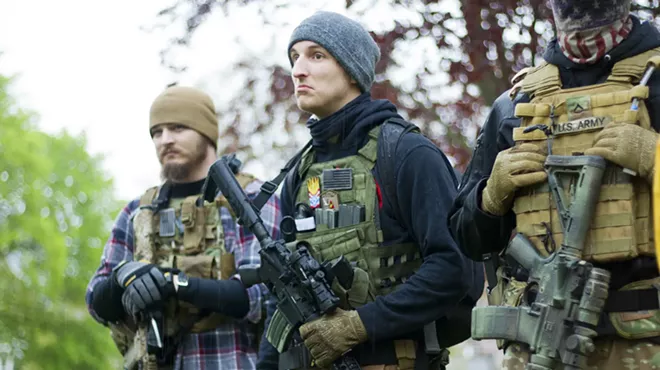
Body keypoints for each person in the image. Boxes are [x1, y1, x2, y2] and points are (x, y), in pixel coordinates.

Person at [256, 11, 483, 370]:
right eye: (294, 57)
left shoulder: (406, 154)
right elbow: (281, 298)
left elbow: (455, 270)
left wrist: (359, 326)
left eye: (316, 55)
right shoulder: (300, 172)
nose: (299, 69)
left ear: (351, 69)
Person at [449, 1, 660, 368]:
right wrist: (490, 197)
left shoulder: (656, 86)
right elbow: (466, 238)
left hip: (644, 345)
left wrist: (654, 159)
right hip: (538, 344)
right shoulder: (515, 104)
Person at [85, 86, 281, 370]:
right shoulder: (137, 212)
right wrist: (122, 279)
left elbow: (260, 296)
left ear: (206, 133)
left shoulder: (251, 198)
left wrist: (172, 283)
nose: (165, 140)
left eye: (177, 128)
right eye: (157, 132)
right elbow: (95, 302)